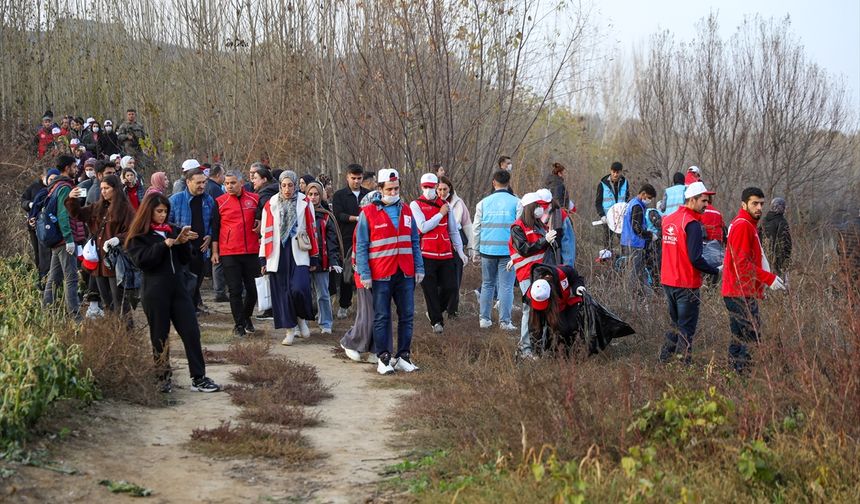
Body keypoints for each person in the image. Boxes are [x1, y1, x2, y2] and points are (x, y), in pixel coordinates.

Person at [125, 193, 221, 393]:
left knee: (191, 331)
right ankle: (162, 377)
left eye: (165, 211)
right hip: (155, 291)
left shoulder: (173, 230)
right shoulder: (139, 236)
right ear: (148, 211)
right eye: (159, 211)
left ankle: (199, 377)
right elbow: (142, 261)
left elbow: (186, 259)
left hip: (179, 289)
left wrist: (183, 242)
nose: (162, 215)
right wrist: (163, 245)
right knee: (160, 336)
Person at [355, 168, 424, 375]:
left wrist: (419, 267)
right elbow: (361, 246)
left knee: (407, 315)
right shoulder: (367, 213)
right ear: (380, 189)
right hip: (381, 274)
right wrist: (364, 273)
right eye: (390, 189)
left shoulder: (407, 211)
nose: (394, 193)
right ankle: (383, 358)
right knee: (382, 317)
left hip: (405, 273)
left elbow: (414, 241)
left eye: (397, 189)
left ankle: (403, 356)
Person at [722, 187, 785, 373]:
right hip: (740, 292)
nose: (759, 208)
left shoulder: (746, 224)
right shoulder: (743, 225)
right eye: (754, 203)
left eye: (761, 204)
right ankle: (743, 379)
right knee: (752, 339)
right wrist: (769, 279)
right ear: (744, 204)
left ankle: (732, 376)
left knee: (738, 338)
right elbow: (742, 265)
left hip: (737, 291)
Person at [658, 181, 721, 364]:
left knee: (675, 324)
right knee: (686, 328)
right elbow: (695, 258)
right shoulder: (692, 224)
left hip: (668, 281)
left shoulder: (668, 219)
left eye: (707, 201)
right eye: (703, 201)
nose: (706, 205)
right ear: (692, 200)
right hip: (686, 284)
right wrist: (714, 270)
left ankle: (664, 360)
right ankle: (683, 367)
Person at [66, 175, 135, 323]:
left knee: (120, 303)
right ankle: (113, 337)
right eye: (102, 188)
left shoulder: (125, 208)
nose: (103, 191)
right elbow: (78, 214)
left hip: (116, 260)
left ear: (115, 189)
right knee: (107, 303)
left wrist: (118, 239)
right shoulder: (98, 206)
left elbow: (133, 231)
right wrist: (71, 199)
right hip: (99, 262)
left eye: (107, 188)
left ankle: (128, 337)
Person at [260, 171, 317, 345]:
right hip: (277, 253)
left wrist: (314, 256)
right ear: (279, 186)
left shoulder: (305, 202)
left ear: (295, 185)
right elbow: (264, 232)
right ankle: (290, 331)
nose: (287, 189)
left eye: (290, 185)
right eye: (284, 185)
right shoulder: (271, 204)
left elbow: (312, 228)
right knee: (283, 293)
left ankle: (301, 319)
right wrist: (263, 258)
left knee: (299, 289)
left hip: (299, 251)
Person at [410, 173, 466, 333]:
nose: (428, 190)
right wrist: (440, 213)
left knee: (451, 287)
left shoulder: (445, 204)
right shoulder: (416, 205)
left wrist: (460, 251)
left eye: (431, 187)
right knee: (430, 289)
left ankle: (433, 312)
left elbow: (453, 230)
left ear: (436, 187)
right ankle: (437, 322)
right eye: (425, 187)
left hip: (446, 253)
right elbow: (423, 227)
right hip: (426, 254)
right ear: (421, 187)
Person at [211, 171, 260, 337]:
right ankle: (239, 325)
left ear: (241, 183)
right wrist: (215, 251)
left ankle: (246, 317)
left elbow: (263, 218)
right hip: (229, 252)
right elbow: (215, 229)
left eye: (233, 183)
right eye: (226, 183)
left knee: (253, 290)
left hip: (252, 251)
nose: (229, 186)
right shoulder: (220, 202)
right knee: (235, 290)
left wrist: (260, 224)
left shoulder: (254, 199)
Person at [510, 191, 558, 358]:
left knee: (542, 309)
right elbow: (523, 249)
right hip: (526, 274)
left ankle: (539, 347)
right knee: (528, 310)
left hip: (541, 272)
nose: (540, 209)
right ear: (530, 208)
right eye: (537, 206)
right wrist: (545, 240)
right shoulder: (518, 227)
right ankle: (525, 349)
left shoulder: (540, 225)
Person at [472, 170, 519, 330]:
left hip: (487, 250)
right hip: (508, 252)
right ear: (509, 183)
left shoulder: (483, 203)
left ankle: (484, 319)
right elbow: (519, 230)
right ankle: (505, 322)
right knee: (506, 286)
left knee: (487, 284)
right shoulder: (516, 203)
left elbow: (476, 228)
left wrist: (475, 250)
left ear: (494, 182)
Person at [42, 156, 87, 319]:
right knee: (71, 278)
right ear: (67, 168)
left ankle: (47, 312)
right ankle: (75, 317)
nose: (77, 169)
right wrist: (69, 239)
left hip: (57, 240)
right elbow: (63, 215)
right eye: (75, 166)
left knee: (54, 278)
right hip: (64, 240)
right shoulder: (65, 187)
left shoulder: (55, 186)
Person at [169, 167, 215, 312]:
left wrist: (210, 236)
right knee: (184, 281)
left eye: (204, 182)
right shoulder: (175, 200)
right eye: (198, 183)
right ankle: (184, 311)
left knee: (197, 280)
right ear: (188, 182)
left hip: (201, 249)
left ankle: (193, 307)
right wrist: (181, 234)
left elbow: (215, 222)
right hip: (182, 249)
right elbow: (166, 224)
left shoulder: (208, 200)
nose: (202, 186)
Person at [332, 164, 369, 319]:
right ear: (347, 177)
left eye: (359, 178)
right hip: (346, 239)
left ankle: (366, 305)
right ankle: (344, 305)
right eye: (353, 178)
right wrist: (356, 218)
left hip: (366, 238)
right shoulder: (340, 195)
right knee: (347, 273)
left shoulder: (368, 195)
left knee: (366, 272)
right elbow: (338, 214)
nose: (356, 181)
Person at [305, 181, 343, 334]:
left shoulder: (327, 216)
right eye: (310, 194)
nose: (313, 198)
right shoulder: (300, 213)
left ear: (321, 196)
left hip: (323, 261)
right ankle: (303, 323)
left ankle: (326, 323)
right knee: (304, 293)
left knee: (323, 293)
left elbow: (332, 241)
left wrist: (334, 260)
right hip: (304, 260)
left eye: (316, 195)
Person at [525, 263, 587, 354]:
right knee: (536, 326)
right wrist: (536, 352)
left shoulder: (563, 273)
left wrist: (577, 287)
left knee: (568, 327)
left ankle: (571, 353)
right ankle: (549, 352)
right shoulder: (531, 293)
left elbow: (576, 278)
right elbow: (533, 328)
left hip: (563, 303)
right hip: (553, 306)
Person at [436, 176, 472, 319]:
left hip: (456, 245)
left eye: (445, 189)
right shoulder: (432, 204)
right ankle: (436, 310)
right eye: (439, 189)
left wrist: (471, 246)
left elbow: (467, 224)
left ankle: (453, 311)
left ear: (450, 189)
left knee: (455, 280)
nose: (442, 192)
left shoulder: (458, 203)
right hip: (439, 245)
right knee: (440, 281)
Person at [620, 184, 658, 292]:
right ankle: (629, 299)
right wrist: (650, 235)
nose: (649, 200)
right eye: (649, 198)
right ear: (643, 194)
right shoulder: (637, 207)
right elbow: (637, 228)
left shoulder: (632, 203)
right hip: (634, 244)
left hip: (627, 242)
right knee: (634, 273)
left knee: (640, 271)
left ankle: (649, 294)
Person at [595, 161, 629, 253]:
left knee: (624, 243)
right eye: (613, 172)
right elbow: (598, 202)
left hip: (621, 218)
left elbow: (627, 200)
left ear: (621, 172)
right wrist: (602, 215)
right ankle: (607, 263)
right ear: (610, 171)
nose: (615, 174)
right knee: (607, 244)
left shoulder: (625, 183)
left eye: (617, 172)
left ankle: (624, 262)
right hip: (608, 219)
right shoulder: (602, 184)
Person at [759, 197, 792, 277]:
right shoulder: (782, 222)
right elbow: (785, 243)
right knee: (779, 283)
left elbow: (759, 239)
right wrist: (785, 261)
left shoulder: (764, 221)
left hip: (763, 258)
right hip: (777, 260)